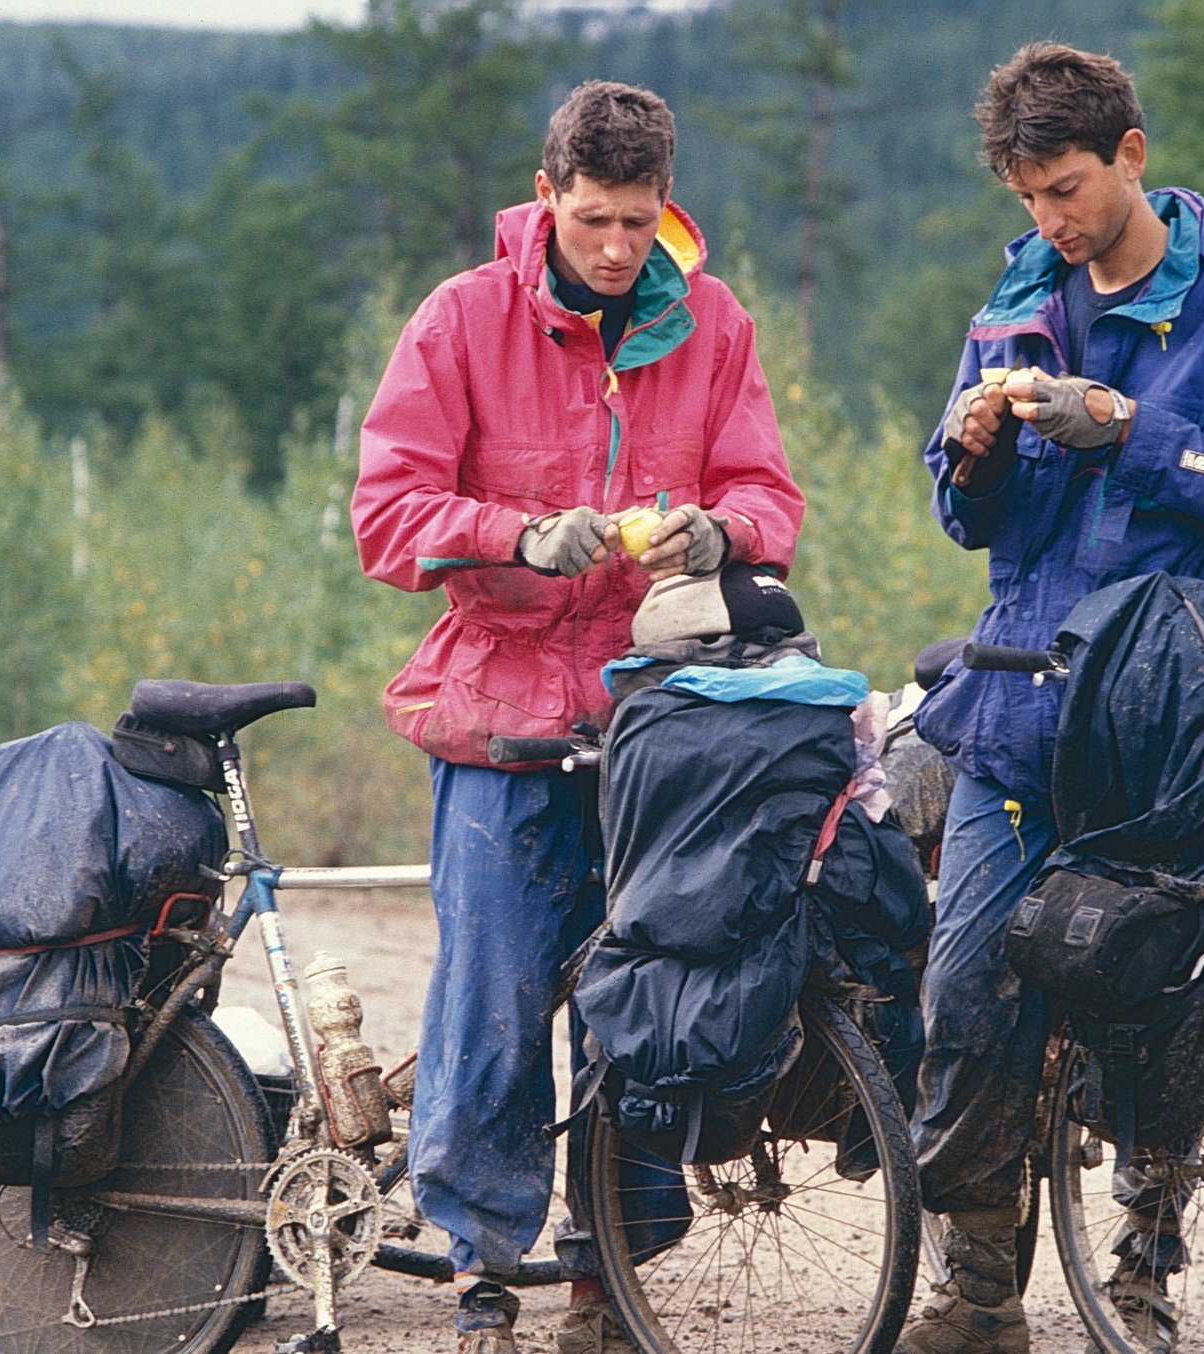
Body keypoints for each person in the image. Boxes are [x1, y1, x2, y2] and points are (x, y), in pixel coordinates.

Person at [351, 79, 804, 1354]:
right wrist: (513, 533)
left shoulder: (711, 323)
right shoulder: (459, 321)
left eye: (638, 222)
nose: (615, 249)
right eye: (594, 219)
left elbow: (767, 489)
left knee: (646, 994)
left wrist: (730, 529)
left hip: (660, 712)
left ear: (668, 208)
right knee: (494, 996)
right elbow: (385, 518)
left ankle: (613, 1268)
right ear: (546, 197)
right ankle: (481, 1267)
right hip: (500, 711)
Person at [903, 43, 1204, 1354]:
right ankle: (979, 1292)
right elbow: (957, 510)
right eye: (1029, 196)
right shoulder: (1017, 298)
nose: (1053, 220)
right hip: (1014, 710)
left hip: (1163, 716)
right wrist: (973, 456)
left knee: (1169, 1002)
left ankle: (1142, 1279)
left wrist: (1132, 426)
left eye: (1071, 187)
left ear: (1133, 155)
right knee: (967, 994)